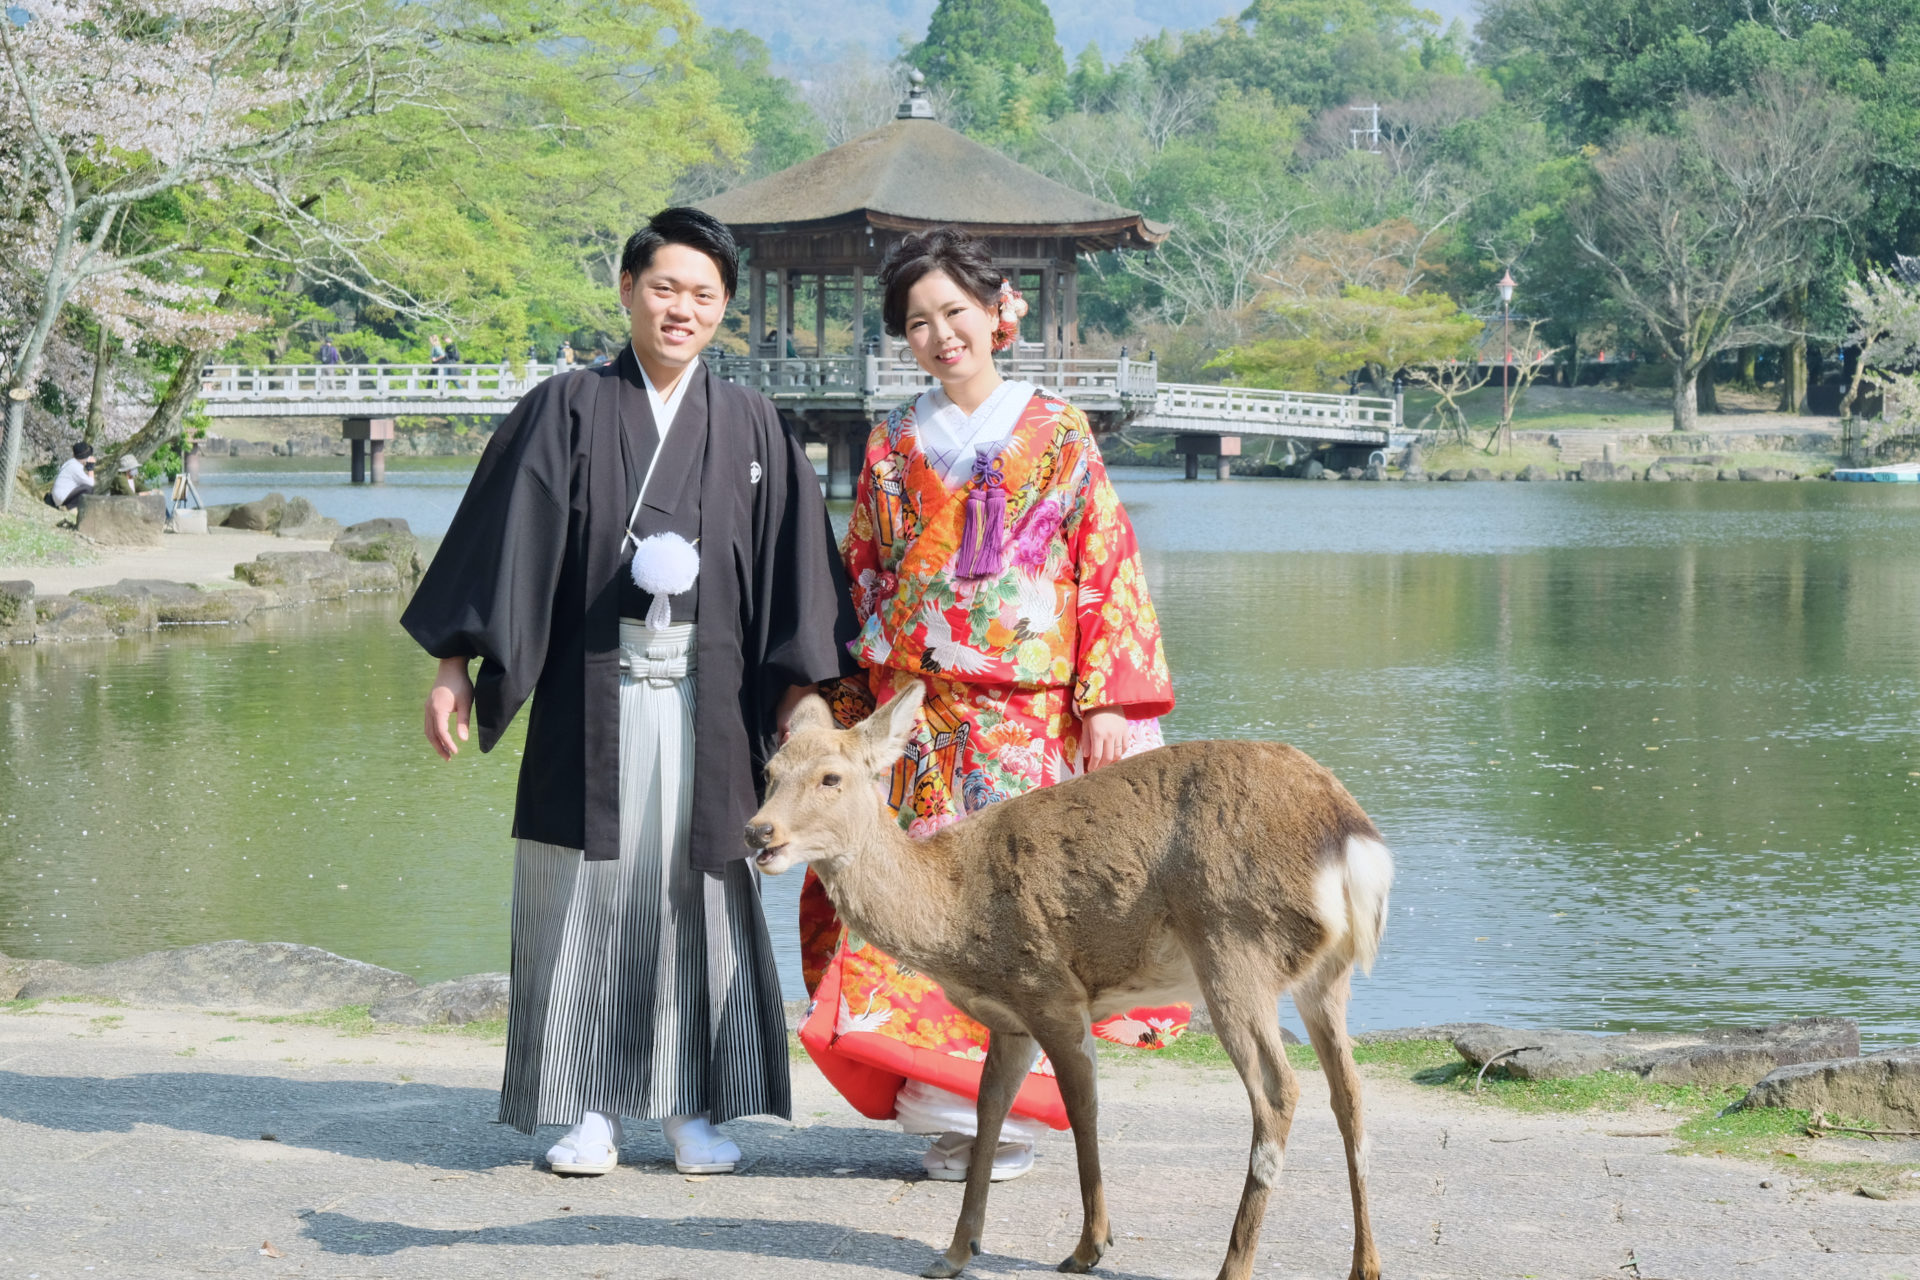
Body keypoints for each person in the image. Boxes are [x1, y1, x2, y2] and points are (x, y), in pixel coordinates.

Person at [401, 207, 854, 1181]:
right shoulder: (565, 407)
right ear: (627, 289)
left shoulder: (752, 427)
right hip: (593, 697)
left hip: (716, 702)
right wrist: (454, 663)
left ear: (724, 309)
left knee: (701, 898)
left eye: (702, 294)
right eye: (664, 287)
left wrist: (803, 699)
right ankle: (590, 1107)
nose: (681, 308)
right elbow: (500, 545)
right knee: (587, 893)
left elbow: (796, 580)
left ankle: (694, 1106)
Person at [799, 226, 1180, 1183]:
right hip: (919, 715)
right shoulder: (891, 439)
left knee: (1022, 906)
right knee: (921, 899)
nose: (940, 336)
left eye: (955, 314)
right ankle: (938, 1108)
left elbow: (1105, 563)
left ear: (997, 313)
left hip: (1027, 713)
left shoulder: (1058, 428)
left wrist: (1105, 699)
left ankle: (1015, 1115)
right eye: (919, 323)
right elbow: (867, 572)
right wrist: (846, 707)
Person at [48, 441, 96, 509]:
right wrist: (90, 468)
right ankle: (68, 508)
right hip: (61, 498)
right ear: (86, 457)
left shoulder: (71, 463)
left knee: (85, 487)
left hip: (58, 497)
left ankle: (68, 507)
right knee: (88, 489)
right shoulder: (75, 467)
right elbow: (91, 483)